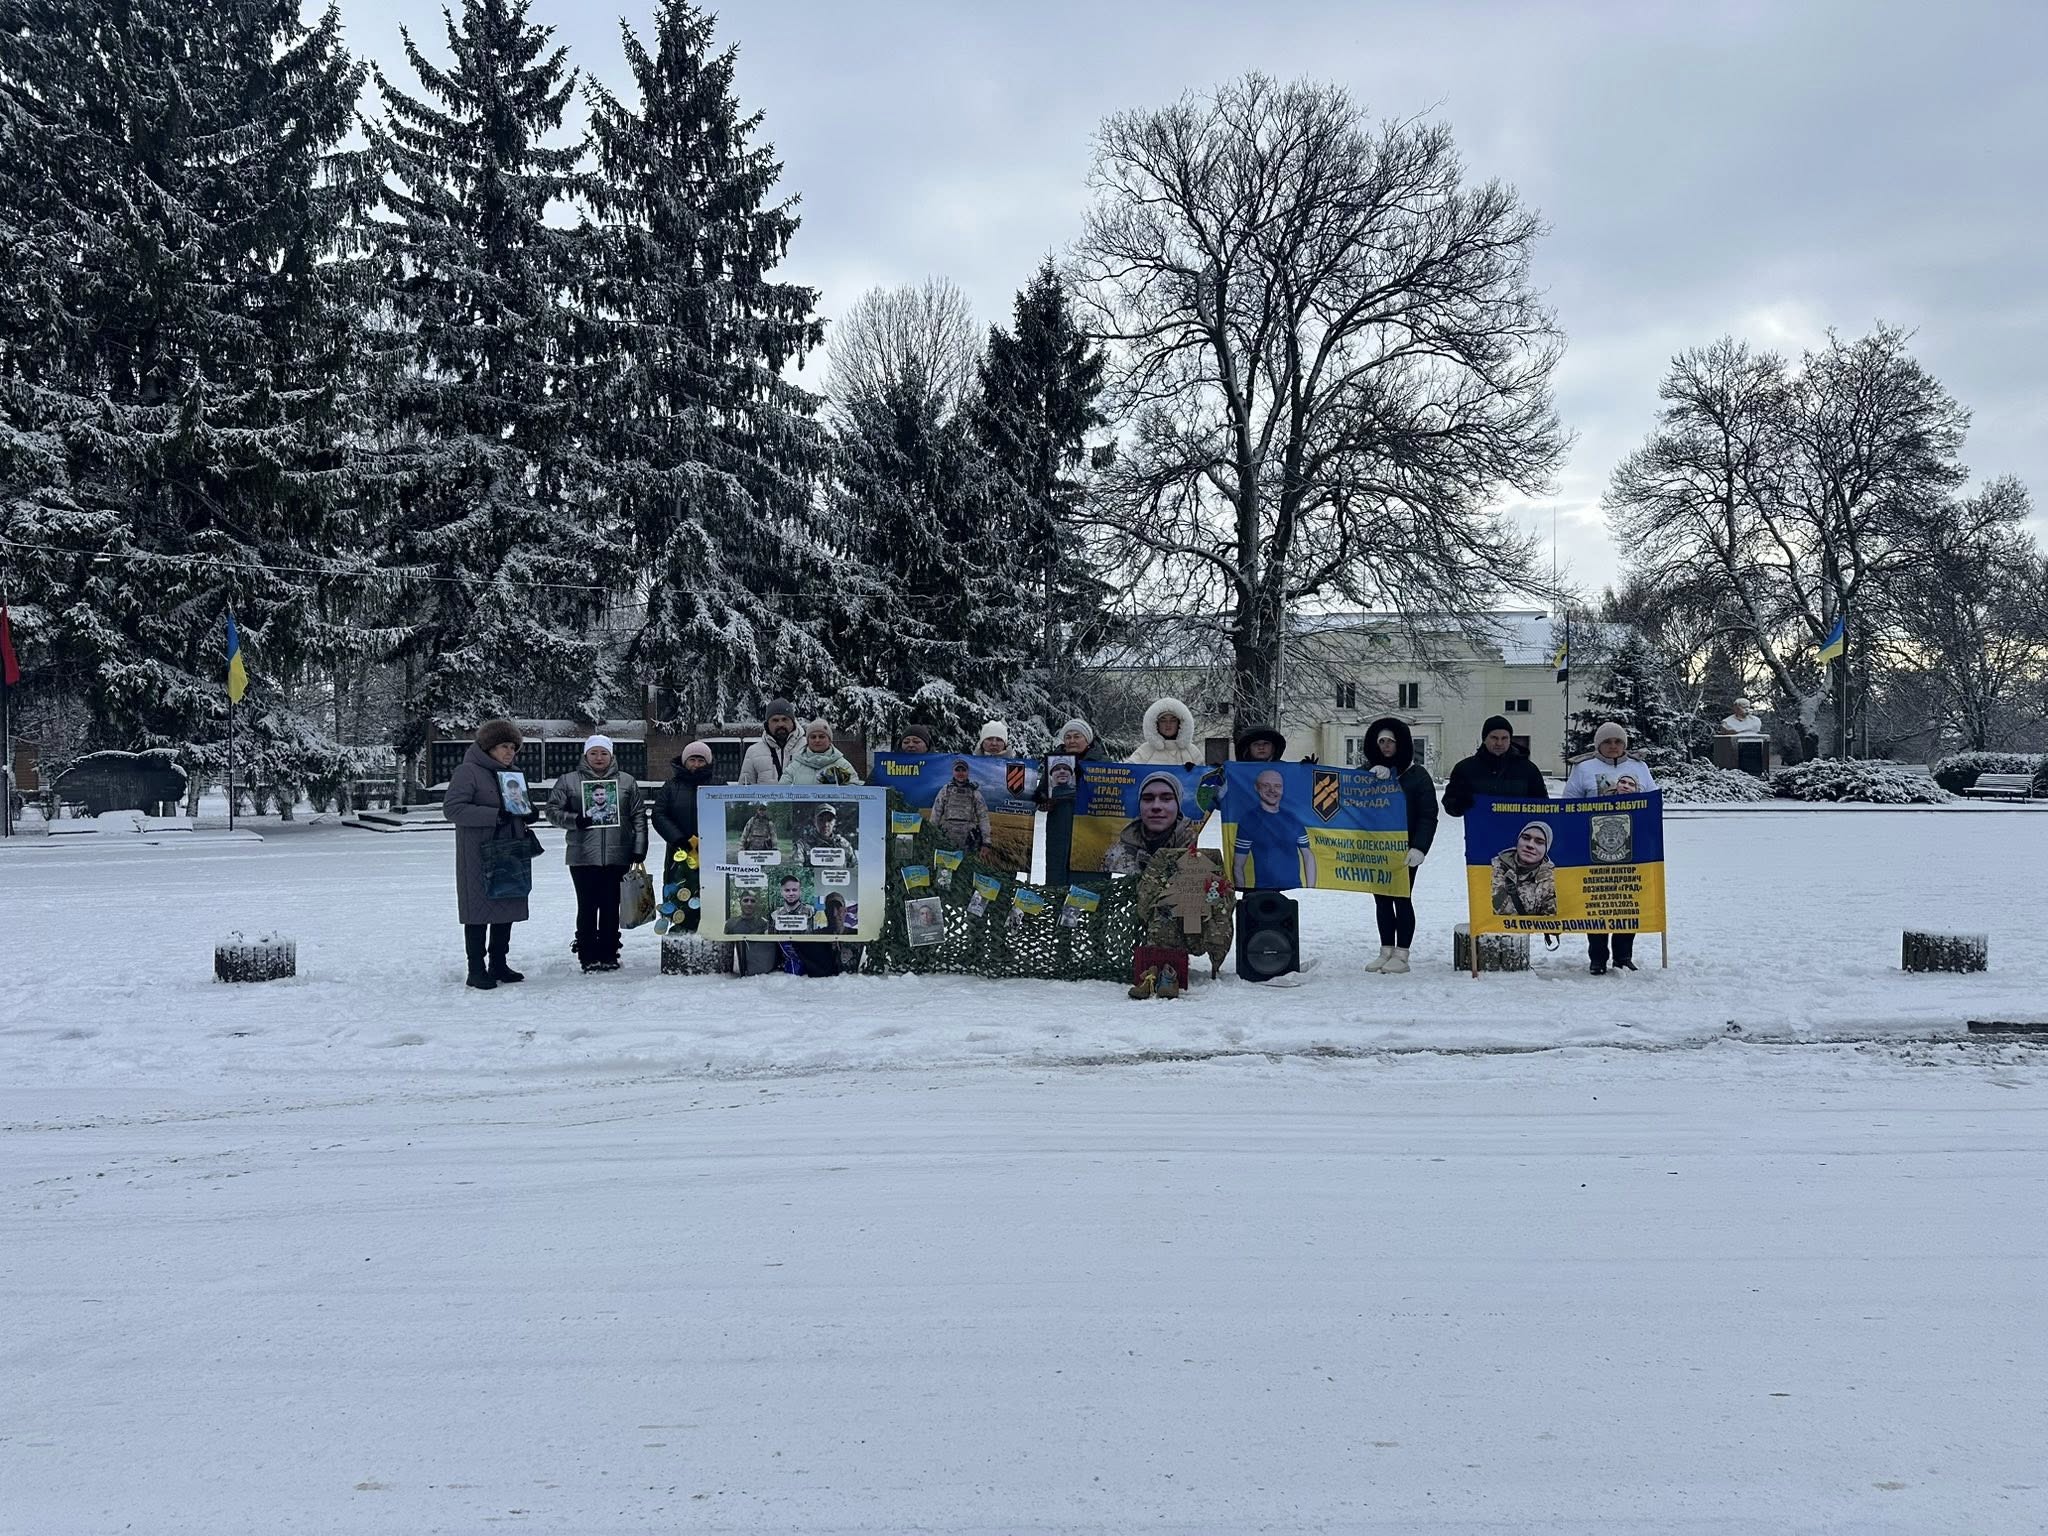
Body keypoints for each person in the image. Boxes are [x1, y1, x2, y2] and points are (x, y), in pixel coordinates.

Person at [442, 718, 537, 990]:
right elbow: (453, 809)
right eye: (504, 746)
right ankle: (476, 969)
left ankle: (498, 963)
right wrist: (495, 816)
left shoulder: (513, 773)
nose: (509, 752)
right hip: (478, 854)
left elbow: (516, 805)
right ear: (488, 747)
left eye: (513, 747)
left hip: (510, 851)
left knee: (504, 906)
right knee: (478, 912)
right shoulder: (468, 771)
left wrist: (529, 812)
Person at [1561, 721, 1659, 974]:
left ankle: (1623, 955)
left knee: (1628, 899)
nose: (1613, 746)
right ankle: (1597, 957)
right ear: (1598, 744)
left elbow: (1652, 801)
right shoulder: (1583, 768)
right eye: (1607, 742)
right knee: (1597, 901)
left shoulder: (1639, 767)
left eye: (1618, 742)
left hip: (1632, 847)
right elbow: (1569, 804)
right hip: (1594, 847)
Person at [545, 733, 648, 973]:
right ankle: (587, 953)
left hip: (618, 854)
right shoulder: (569, 781)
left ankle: (609, 952)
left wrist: (639, 847)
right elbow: (551, 810)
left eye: (604, 753)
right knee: (588, 906)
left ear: (611, 755)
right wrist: (574, 820)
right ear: (585, 755)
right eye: (594, 753)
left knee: (612, 905)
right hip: (583, 856)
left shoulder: (626, 782)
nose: (599, 757)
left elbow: (638, 816)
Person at [1361, 716, 1439, 974]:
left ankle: (1402, 953)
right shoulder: (1367, 774)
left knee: (1401, 898)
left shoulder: (1417, 776)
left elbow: (1428, 814)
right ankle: (1386, 950)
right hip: (1375, 849)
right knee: (1381, 899)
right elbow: (1346, 797)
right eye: (1381, 741)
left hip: (1406, 850)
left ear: (1400, 744)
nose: (1385, 746)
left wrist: (1420, 847)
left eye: (1390, 742)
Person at [651, 741, 719, 932]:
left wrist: (714, 837)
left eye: (701, 760)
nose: (696, 764)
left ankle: (710, 925)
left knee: (709, 889)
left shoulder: (718, 784)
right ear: (684, 761)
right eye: (692, 759)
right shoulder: (671, 786)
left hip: (710, 851)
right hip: (679, 850)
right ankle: (681, 924)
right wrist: (678, 838)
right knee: (680, 888)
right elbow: (659, 814)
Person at [1038, 718, 1103, 889]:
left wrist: (1087, 778)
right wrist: (1043, 800)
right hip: (1059, 824)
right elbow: (1043, 790)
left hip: (1092, 828)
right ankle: (1056, 910)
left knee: (1088, 878)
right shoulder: (1053, 761)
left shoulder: (1103, 762)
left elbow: (1113, 795)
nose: (1072, 741)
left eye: (1077, 736)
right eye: (1068, 737)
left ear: (1087, 739)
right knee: (1057, 875)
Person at [1442, 715, 1550, 817]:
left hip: (1520, 833)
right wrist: (1461, 802)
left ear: (1510, 739)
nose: (1499, 743)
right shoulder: (1465, 769)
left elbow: (1543, 806)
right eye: (1494, 738)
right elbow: (1450, 804)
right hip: (1481, 833)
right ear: (1484, 739)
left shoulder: (1528, 770)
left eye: (1504, 738)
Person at [1102, 770, 1204, 876]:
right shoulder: (1118, 854)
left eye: (1166, 799)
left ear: (1178, 805)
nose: (1156, 806)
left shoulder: (1198, 848)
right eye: (1147, 799)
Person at [1231, 766, 1309, 891]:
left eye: (1277, 786)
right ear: (1257, 788)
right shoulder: (1248, 821)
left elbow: (1308, 855)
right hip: (1263, 891)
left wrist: (1310, 890)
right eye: (1266, 785)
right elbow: (1238, 865)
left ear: (1283, 789)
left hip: (1295, 890)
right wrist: (1243, 891)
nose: (1272, 790)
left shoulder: (1293, 819)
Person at [1491, 821, 1559, 918]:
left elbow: (1555, 925)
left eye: (1539, 842)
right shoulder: (1491, 867)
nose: (1530, 845)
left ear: (1546, 849)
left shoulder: (1553, 881)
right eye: (1526, 838)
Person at [930, 758, 993, 852]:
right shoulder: (945, 791)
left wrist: (986, 842)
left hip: (968, 839)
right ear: (953, 772)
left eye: (963, 770)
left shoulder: (974, 793)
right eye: (957, 770)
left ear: (968, 772)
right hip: (947, 837)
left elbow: (983, 817)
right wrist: (931, 836)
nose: (960, 773)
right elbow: (935, 814)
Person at [781, 719, 862, 786]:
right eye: (813, 737)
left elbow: (854, 791)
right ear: (807, 740)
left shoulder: (842, 765)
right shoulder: (794, 767)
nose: (817, 740)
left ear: (830, 740)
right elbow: (781, 792)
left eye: (822, 737)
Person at [1126, 696, 1200, 766]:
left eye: (1173, 720)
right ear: (1156, 724)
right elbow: (1127, 771)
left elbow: (1207, 775)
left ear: (1180, 724)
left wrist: (1194, 770)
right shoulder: (1146, 750)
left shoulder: (1191, 751)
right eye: (1163, 720)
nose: (1168, 724)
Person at [739, 699, 798, 785]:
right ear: (767, 724)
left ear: (793, 722)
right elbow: (744, 790)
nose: (780, 724)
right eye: (775, 720)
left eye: (785, 719)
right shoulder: (753, 752)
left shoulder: (805, 748)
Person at [727, 887, 781, 977]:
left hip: (764, 975)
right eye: (746, 900)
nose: (749, 904)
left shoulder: (764, 924)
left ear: (757, 904)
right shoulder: (731, 924)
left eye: (752, 901)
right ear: (740, 902)